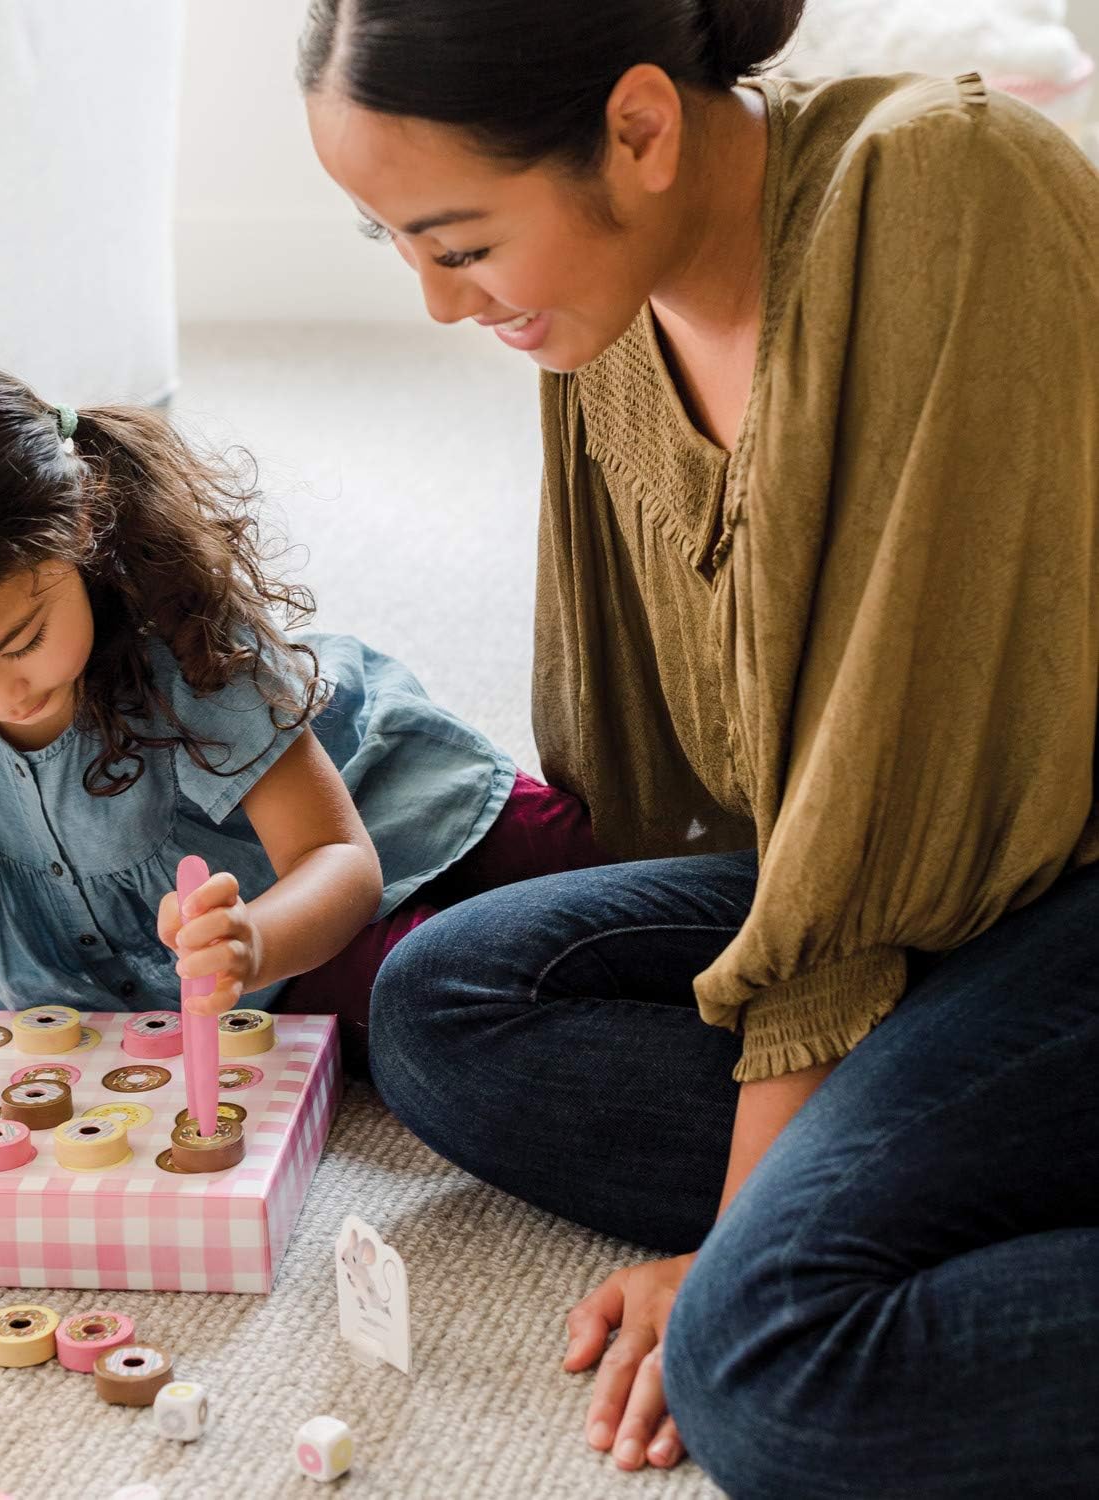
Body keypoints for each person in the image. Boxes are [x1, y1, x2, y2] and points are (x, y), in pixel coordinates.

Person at [301, 0, 1099, 1493]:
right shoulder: (614, 307)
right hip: (939, 890)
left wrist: (736, 1234)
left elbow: (882, 797)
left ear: (641, 129)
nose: (438, 304)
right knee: (445, 1004)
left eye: (462, 244)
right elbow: (739, 802)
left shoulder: (942, 189)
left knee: (769, 1363)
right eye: (391, 243)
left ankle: (861, 1217)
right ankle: (938, 1174)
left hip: (1054, 862)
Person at [0, 349, 600, 1196]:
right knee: (452, 999)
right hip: (225, 965)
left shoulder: (185, 635)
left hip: (352, 810)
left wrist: (257, 936)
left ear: (76, 529)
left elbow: (339, 856)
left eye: (22, 638)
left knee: (584, 868)